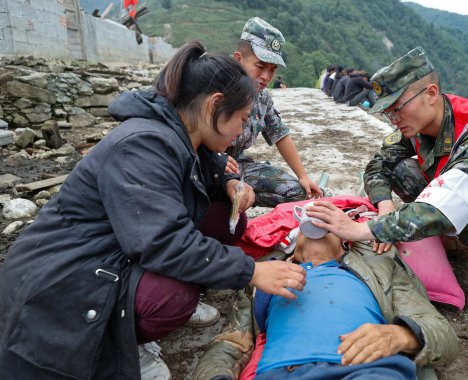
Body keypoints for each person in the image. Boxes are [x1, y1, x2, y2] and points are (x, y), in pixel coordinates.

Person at [0, 41, 307, 379]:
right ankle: (120, 339)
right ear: (214, 105)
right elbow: (162, 241)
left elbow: (206, 167)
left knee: (227, 220)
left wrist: (228, 182)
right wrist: (250, 271)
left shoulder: (182, 132)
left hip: (115, 244)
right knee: (174, 297)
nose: (240, 131)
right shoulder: (142, 144)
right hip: (66, 274)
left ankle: (129, 312)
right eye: (241, 119)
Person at [306, 46, 468, 314]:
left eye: (398, 108)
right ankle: (458, 236)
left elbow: (450, 201)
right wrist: (384, 204)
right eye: (388, 112)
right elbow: (379, 163)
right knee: (402, 169)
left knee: (465, 198)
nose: (394, 119)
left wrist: (365, 230)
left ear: (431, 94)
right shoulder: (420, 123)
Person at [194, 233, 458, 379]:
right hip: (283, 373)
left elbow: (440, 332)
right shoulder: (262, 274)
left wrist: (401, 336)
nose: (315, 220)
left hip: (369, 369)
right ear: (292, 248)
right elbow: (230, 343)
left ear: (344, 244)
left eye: (327, 222)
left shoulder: (379, 266)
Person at [227, 17, 323, 207]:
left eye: (272, 70)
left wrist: (303, 176)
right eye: (260, 66)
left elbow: (280, 135)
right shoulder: (214, 90)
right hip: (205, 167)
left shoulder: (262, 98)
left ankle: (239, 197)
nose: (266, 77)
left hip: (238, 165)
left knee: (298, 192)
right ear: (239, 59)